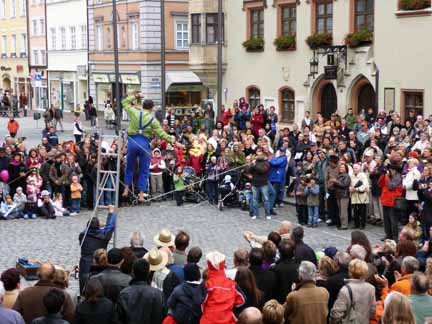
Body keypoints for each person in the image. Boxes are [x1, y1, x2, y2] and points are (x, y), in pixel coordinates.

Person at [122, 94, 175, 203]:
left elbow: (124, 103)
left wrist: (136, 96)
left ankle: (126, 189)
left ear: (142, 106)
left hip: (132, 142)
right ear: (151, 108)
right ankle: (141, 194)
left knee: (130, 167)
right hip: (144, 144)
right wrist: (172, 140)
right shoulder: (153, 120)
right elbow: (161, 133)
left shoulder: (134, 112)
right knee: (144, 170)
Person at [200, 251, 245, 324]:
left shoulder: (207, 285)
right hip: (227, 320)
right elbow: (242, 300)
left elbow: (199, 303)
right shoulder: (232, 285)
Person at [78, 206, 116, 293]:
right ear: (98, 227)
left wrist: (97, 226)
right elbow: (110, 226)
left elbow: (87, 230)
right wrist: (111, 213)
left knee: (84, 286)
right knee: (99, 286)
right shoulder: (104, 236)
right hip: (99, 264)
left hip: (85, 264)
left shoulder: (82, 236)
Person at [117, 259, 165, 324]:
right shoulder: (158, 294)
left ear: (133, 272)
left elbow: (119, 318)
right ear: (148, 272)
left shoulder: (124, 293)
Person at [329, 259, 376, 324]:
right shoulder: (371, 288)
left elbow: (336, 314)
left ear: (350, 271)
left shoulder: (345, 290)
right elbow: (372, 311)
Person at [350, 163, 370, 229]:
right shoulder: (352, 176)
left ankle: (362, 225)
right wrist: (350, 188)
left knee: (362, 211)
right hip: (354, 196)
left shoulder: (363, 175)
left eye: (356, 168)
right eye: (353, 168)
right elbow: (350, 184)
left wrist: (355, 189)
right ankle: (356, 224)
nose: (354, 169)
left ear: (359, 169)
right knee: (355, 211)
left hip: (362, 196)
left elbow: (365, 185)